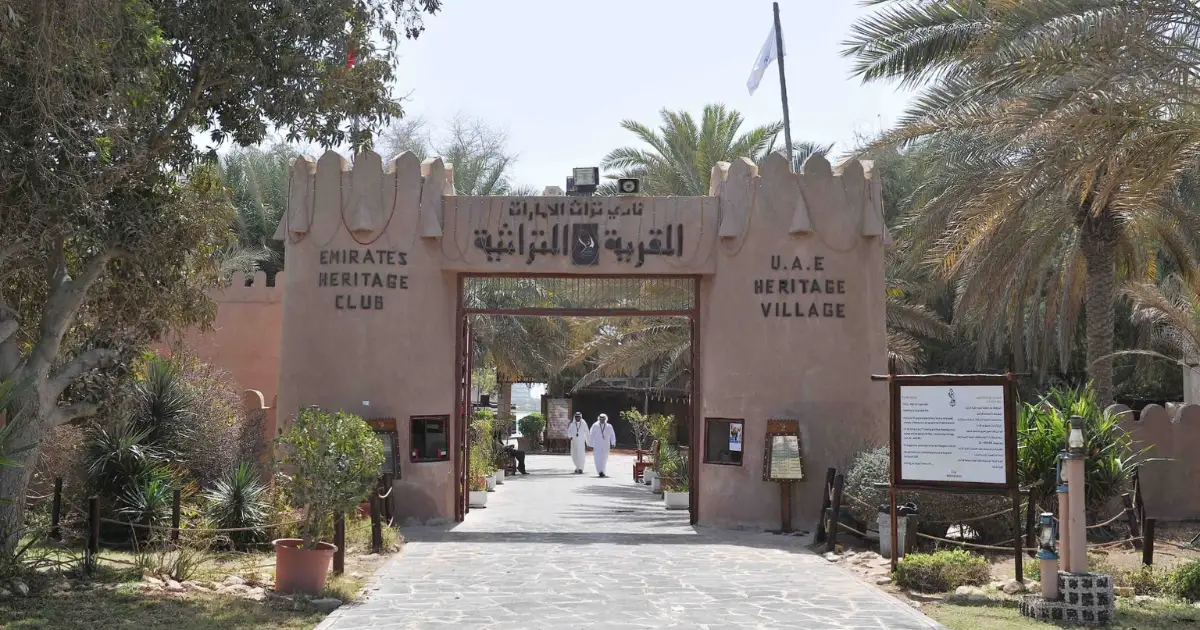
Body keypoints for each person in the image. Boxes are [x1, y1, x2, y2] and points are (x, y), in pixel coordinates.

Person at [589, 413, 617, 478]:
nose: (602, 420)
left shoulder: (609, 426)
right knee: (597, 458)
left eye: (603, 419)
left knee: (604, 458)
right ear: (599, 419)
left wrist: (613, 443)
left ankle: (603, 471)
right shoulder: (595, 425)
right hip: (597, 445)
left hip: (606, 445)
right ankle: (600, 471)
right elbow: (591, 435)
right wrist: (590, 444)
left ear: (605, 419)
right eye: (601, 419)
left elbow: (612, 435)